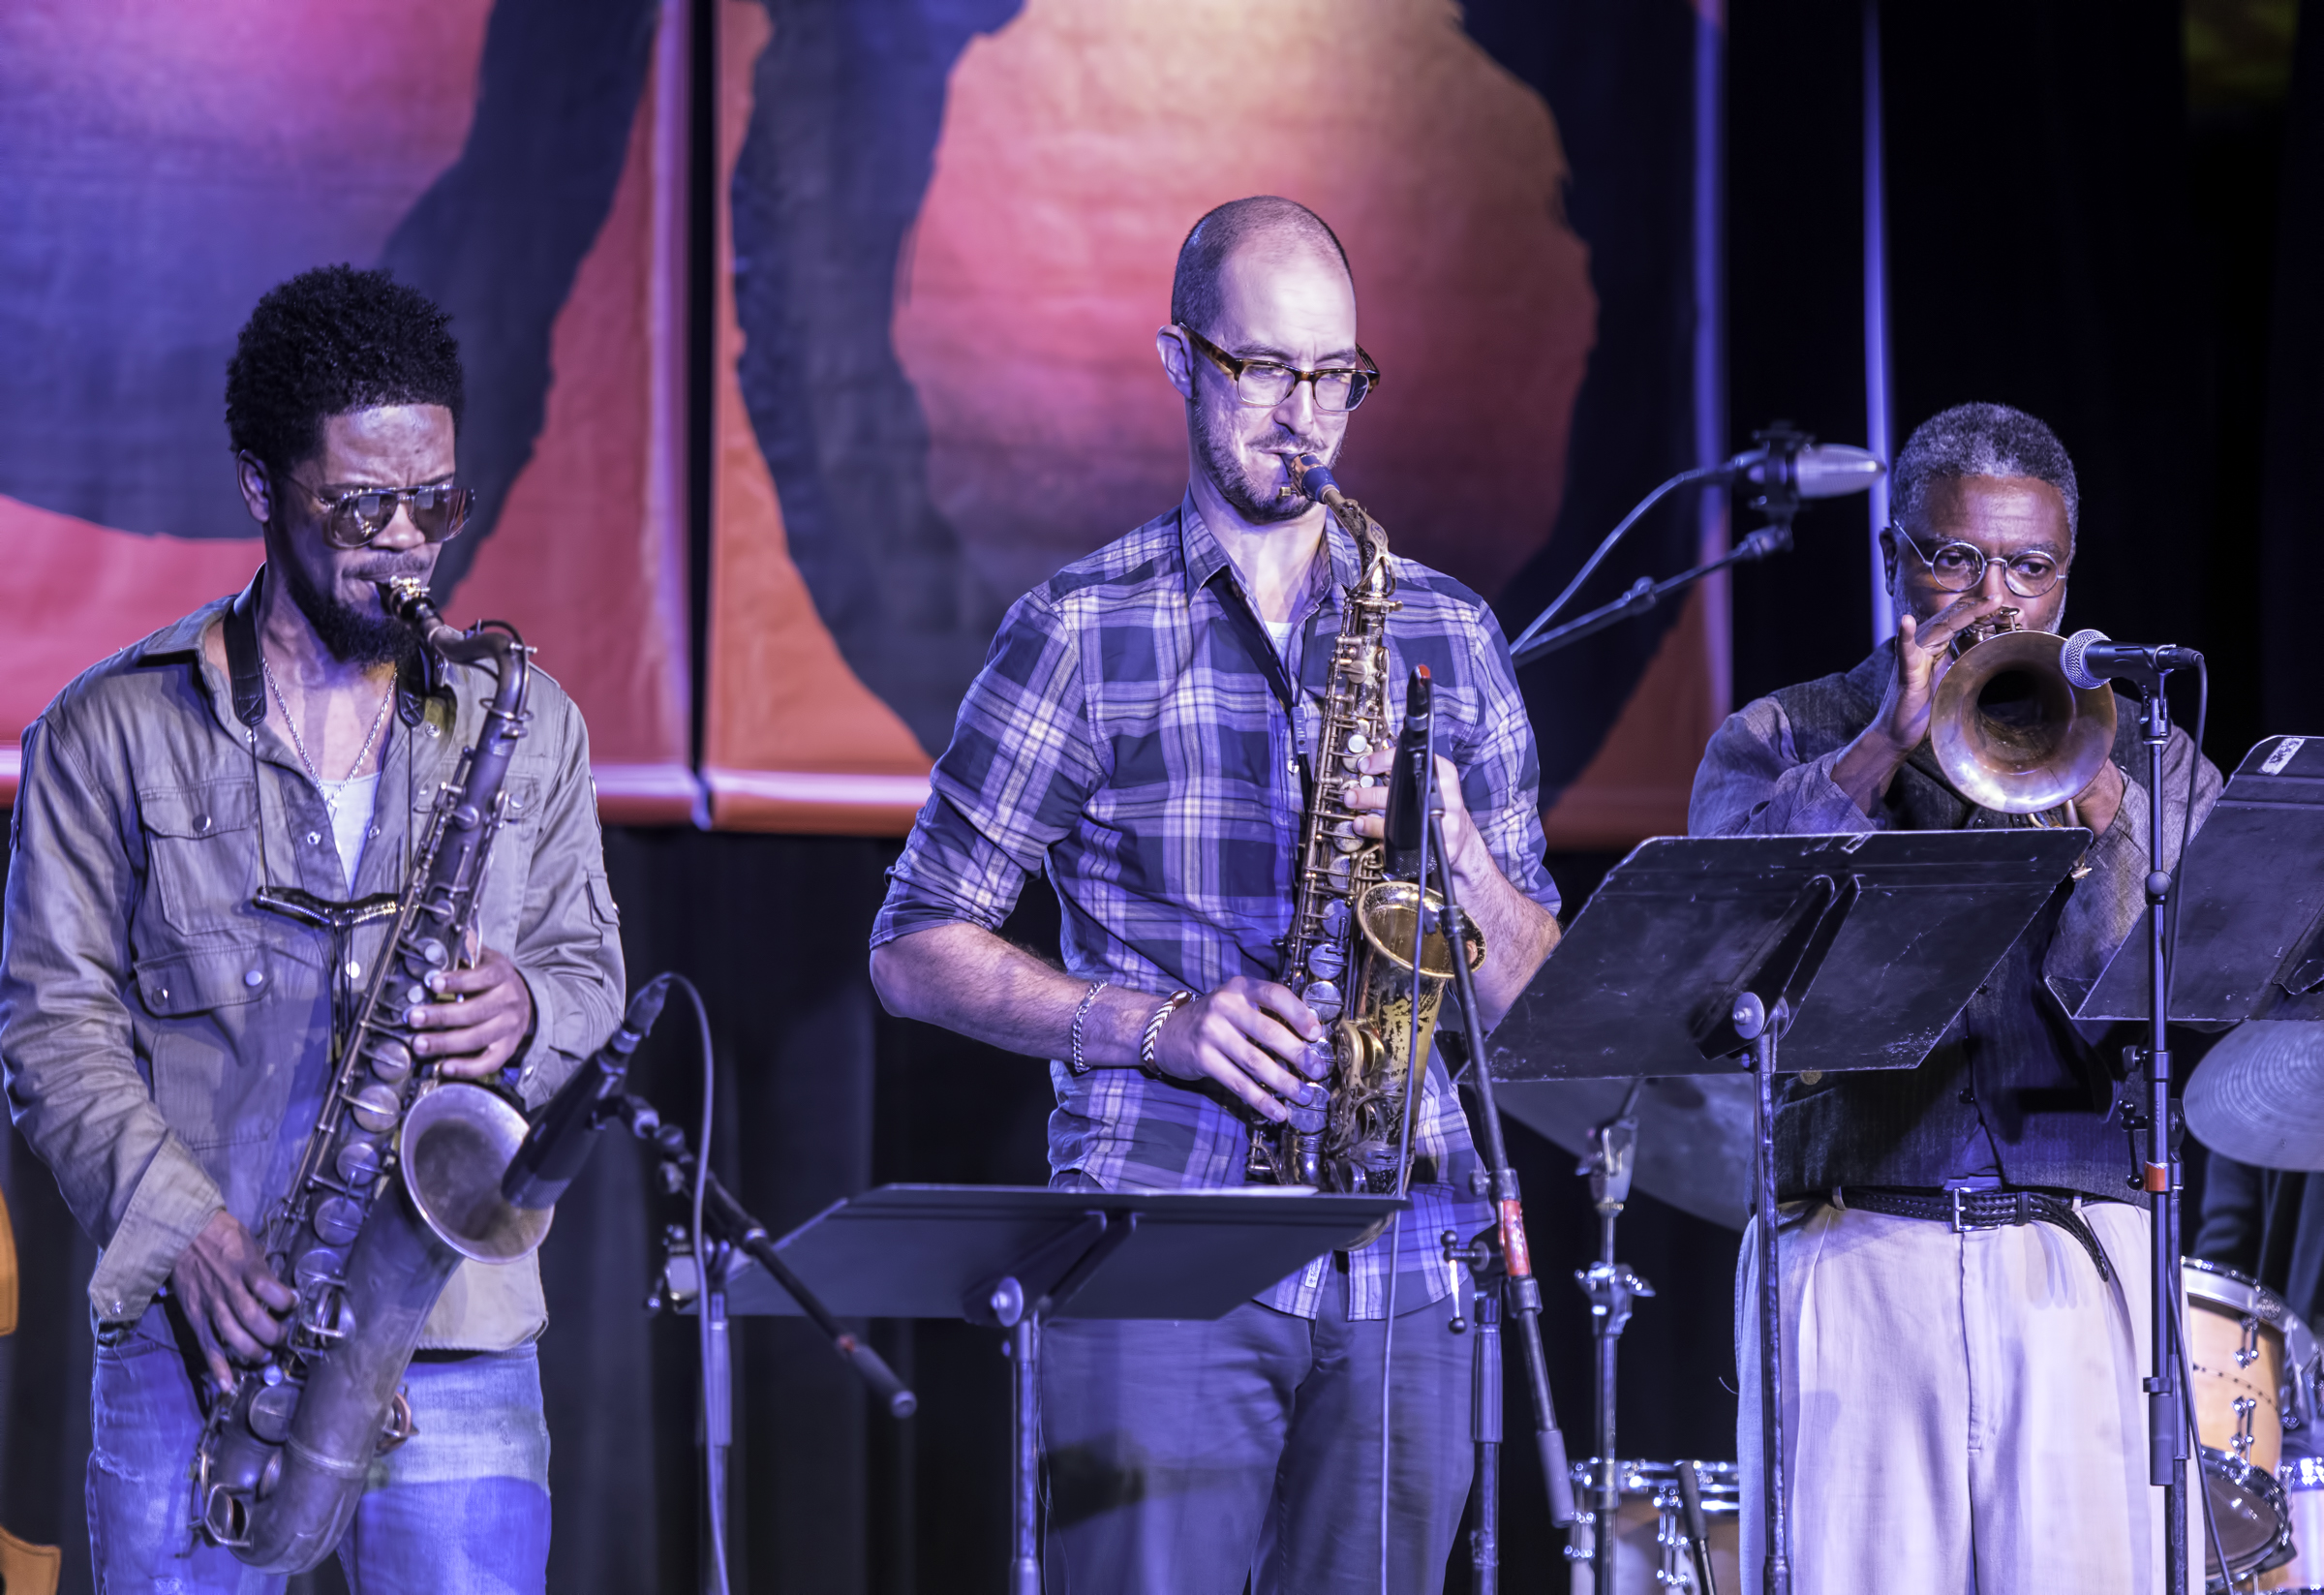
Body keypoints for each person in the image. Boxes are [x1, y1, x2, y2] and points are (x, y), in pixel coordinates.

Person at [868, 196, 1562, 1593]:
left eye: (1335, 377)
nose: (1304, 416)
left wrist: (1461, 855)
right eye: (1266, 371)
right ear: (1183, 362)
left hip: (1409, 1256)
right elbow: (913, 944)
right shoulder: (1079, 628)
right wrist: (1158, 1024)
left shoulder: (1450, 632)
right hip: (1164, 1249)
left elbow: (1540, 998)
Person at [0, 264, 626, 1593]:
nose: (406, 542)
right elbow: (52, 1029)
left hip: (454, 1339)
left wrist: (531, 1006)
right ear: (259, 488)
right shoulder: (104, 732)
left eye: (437, 503)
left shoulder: (534, 720)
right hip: (202, 1346)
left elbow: (589, 972)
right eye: (361, 506)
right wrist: (185, 1232)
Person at [1690, 401, 2219, 1593]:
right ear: (1894, 563)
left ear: (2066, 581)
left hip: (2079, 1260)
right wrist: (1879, 750)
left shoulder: (2152, 757)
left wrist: (2104, 814)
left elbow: (2164, 1003)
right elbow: (1724, 977)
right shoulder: (1779, 735)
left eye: (2030, 568)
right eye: (1956, 558)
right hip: (1853, 1246)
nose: (1994, 599)